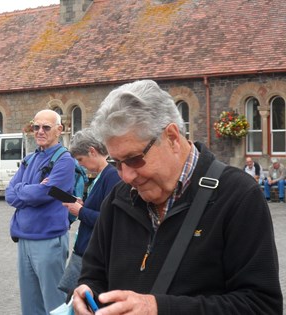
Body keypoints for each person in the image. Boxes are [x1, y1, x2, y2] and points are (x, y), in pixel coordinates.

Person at [72, 80, 282, 314]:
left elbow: (262, 306)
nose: (126, 176)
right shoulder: (117, 199)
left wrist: (159, 308)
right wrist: (86, 292)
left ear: (172, 137)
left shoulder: (238, 196)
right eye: (116, 163)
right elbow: (93, 274)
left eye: (134, 159)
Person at [6, 109, 74, 315]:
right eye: (36, 127)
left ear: (59, 130)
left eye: (46, 127)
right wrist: (30, 189)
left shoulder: (65, 161)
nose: (40, 131)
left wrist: (24, 189)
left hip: (48, 240)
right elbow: (9, 194)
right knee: (30, 306)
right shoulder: (30, 158)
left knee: (55, 306)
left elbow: (43, 194)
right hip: (25, 239)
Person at [58, 128, 120, 294]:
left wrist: (80, 211)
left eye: (80, 159)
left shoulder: (111, 176)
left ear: (92, 151)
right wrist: (83, 207)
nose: (80, 164)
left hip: (93, 254)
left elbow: (111, 220)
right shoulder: (103, 176)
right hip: (86, 250)